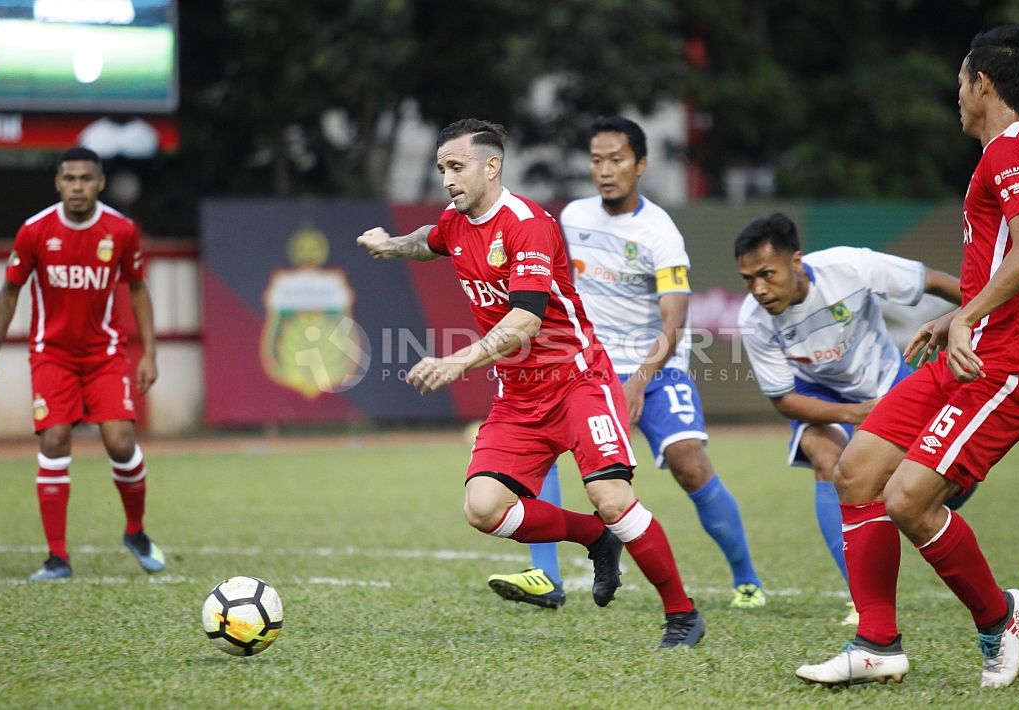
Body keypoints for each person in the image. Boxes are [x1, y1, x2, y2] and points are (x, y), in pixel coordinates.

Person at [357, 118, 705, 648]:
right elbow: (430, 242)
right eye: (441, 169)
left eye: (457, 167)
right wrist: (392, 246)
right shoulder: (456, 220)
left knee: (611, 496)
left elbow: (526, 321)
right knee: (483, 507)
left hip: (577, 380)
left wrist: (458, 362)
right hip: (520, 395)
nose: (447, 179)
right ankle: (594, 538)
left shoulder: (528, 224)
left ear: (491, 166)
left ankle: (682, 614)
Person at [795, 24, 1019, 689]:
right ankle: (876, 645)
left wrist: (970, 316)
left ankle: (996, 616)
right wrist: (959, 316)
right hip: (973, 350)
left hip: (1007, 368)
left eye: (960, 83)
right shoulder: (1013, 153)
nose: (957, 96)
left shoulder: (1011, 151)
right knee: (856, 470)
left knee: (909, 500)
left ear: (984, 84)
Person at [487, 116, 765, 612]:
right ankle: (545, 575)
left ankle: (746, 578)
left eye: (616, 160)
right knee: (542, 449)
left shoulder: (660, 232)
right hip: (586, 368)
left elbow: (675, 319)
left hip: (655, 370)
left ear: (641, 164)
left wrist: (639, 380)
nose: (605, 170)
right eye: (596, 160)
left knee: (690, 465)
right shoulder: (572, 217)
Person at [734, 213, 963, 625]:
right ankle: (861, 599)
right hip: (817, 396)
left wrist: (981, 311)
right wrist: (857, 414)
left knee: (944, 480)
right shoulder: (753, 320)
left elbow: (931, 281)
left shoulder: (850, 268)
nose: (759, 290)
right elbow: (784, 400)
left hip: (886, 380)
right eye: (748, 279)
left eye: (767, 274)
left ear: (797, 262)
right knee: (829, 463)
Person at [0, 146, 166, 581]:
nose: (76, 186)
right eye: (68, 178)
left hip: (105, 355)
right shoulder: (35, 231)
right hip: (52, 355)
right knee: (55, 439)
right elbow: (10, 293)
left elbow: (138, 288)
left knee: (120, 442)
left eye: (85, 178)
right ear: (58, 183)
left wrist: (149, 352)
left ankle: (135, 531)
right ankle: (57, 557)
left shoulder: (121, 230)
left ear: (100, 182)